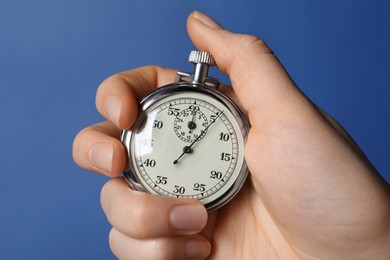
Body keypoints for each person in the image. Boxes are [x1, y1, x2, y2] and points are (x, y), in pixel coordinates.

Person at [72, 11, 390, 259]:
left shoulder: (241, 128)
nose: (187, 147)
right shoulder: (159, 113)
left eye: (193, 141)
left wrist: (371, 248)